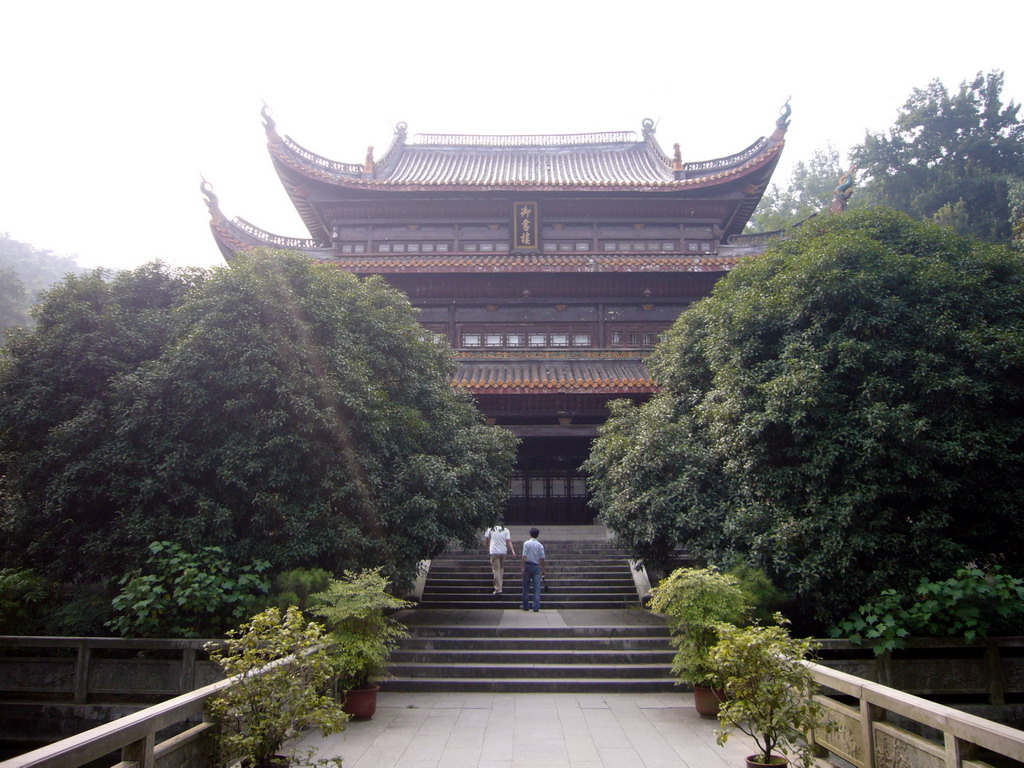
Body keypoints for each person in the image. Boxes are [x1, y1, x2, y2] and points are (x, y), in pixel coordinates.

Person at [484, 524, 515, 595]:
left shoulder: (490, 529)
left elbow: (487, 539)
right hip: (503, 551)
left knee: (496, 570)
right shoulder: (505, 529)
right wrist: (512, 550)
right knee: (501, 568)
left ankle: (498, 588)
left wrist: (488, 547)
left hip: (494, 551)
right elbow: (508, 541)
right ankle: (500, 586)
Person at [521, 528, 545, 612]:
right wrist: (543, 569)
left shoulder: (526, 543)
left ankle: (525, 606)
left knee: (526, 587)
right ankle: (536, 606)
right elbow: (542, 559)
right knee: (537, 588)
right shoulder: (540, 545)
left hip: (527, 565)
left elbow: (524, 556)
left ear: (530, 534)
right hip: (536, 566)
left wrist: (523, 567)